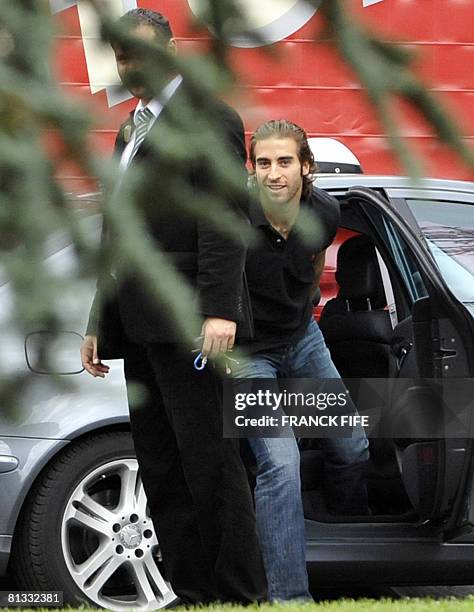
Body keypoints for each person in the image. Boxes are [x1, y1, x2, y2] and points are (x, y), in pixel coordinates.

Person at [80, 8, 266, 605]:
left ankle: (238, 596)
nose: (129, 65)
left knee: (211, 467)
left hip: (193, 326)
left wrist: (220, 311)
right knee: (162, 471)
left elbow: (224, 221)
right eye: (122, 56)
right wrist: (97, 319)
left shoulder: (211, 118)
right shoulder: (130, 128)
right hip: (139, 327)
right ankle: (193, 593)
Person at [234, 119, 370, 601]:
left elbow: (314, 268)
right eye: (264, 163)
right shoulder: (233, 217)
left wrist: (302, 312)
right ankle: (289, 598)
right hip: (247, 355)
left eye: (285, 162)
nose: (274, 173)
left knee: (352, 446)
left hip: (301, 337)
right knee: (281, 465)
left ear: (305, 167)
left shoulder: (325, 211)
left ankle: (351, 554)